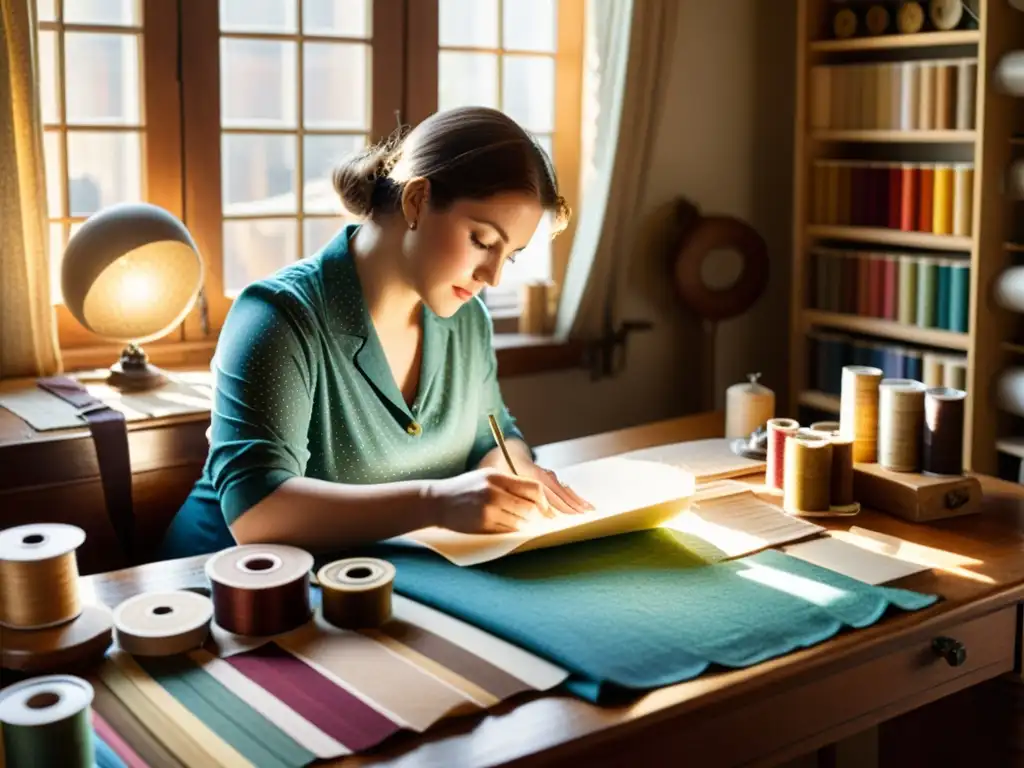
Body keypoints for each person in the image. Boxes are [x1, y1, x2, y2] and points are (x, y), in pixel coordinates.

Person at [157, 106, 593, 560]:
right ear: (417, 202)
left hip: (366, 580)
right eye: (482, 241)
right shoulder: (278, 316)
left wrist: (516, 474)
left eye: (511, 255)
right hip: (221, 588)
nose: (494, 275)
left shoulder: (466, 318)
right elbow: (257, 512)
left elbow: (491, 436)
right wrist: (436, 502)